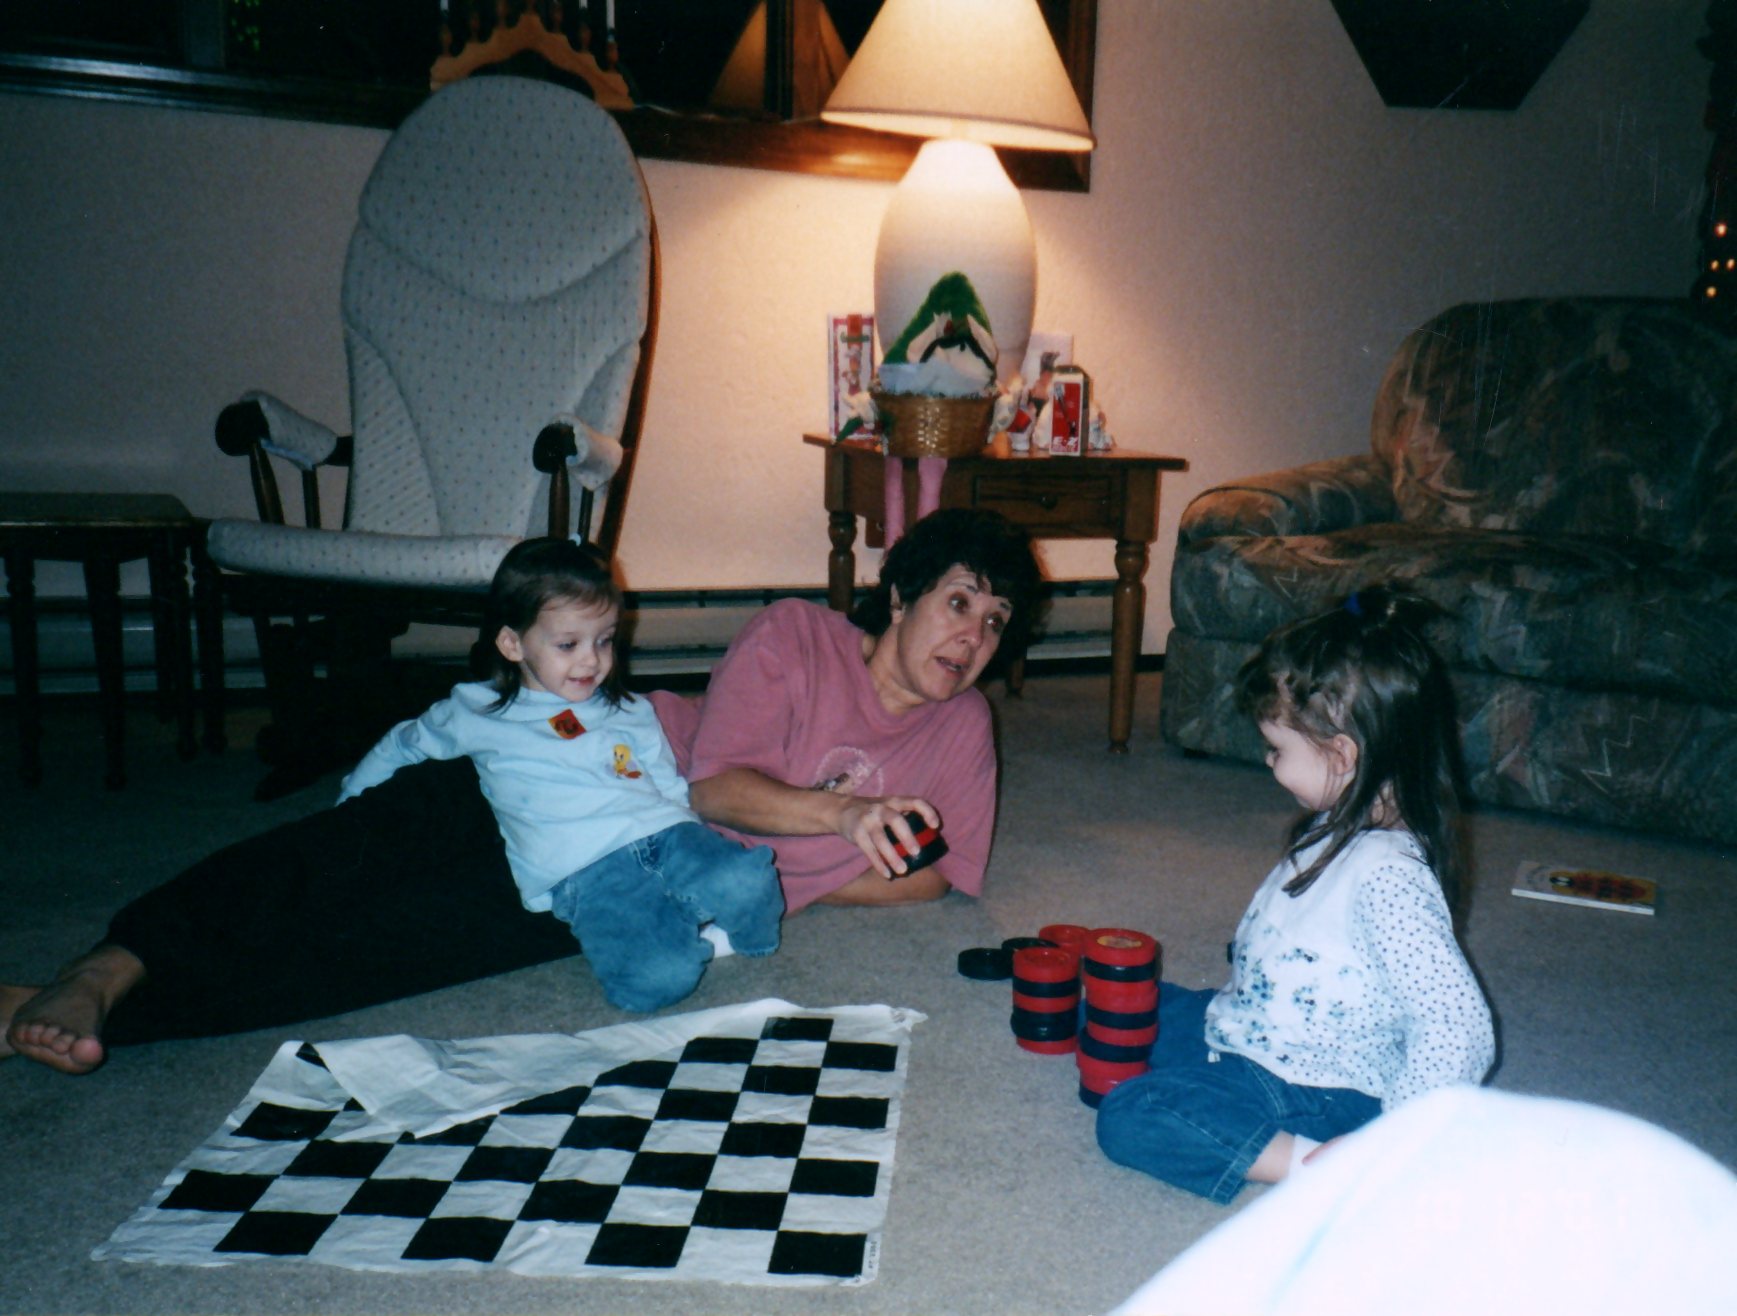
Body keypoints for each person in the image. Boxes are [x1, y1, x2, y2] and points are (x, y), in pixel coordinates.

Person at [2, 508, 1042, 1074]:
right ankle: (111, 959)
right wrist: (843, 820)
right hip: (575, 757)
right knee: (353, 848)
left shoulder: (963, 725)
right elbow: (716, 788)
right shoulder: (796, 634)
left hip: (625, 878)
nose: (973, 636)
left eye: (995, 622)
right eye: (959, 602)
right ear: (898, 594)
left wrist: (791, 877)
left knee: (390, 949)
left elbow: (938, 879)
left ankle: (109, 1018)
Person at [1095, 586, 1495, 1204]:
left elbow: (1459, 1025)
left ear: (1342, 754)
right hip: (1261, 1032)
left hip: (1321, 1088)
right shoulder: (1339, 822)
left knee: (1134, 1113)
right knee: (1123, 1004)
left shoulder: (1389, 877)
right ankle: (1221, 1088)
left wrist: (1390, 1142)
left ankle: (1323, 1167)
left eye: (1277, 749)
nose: (1267, 761)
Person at [337, 537, 782, 1013]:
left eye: (605, 640)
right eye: (569, 645)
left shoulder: (628, 708)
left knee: (750, 883)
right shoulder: (475, 711)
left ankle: (707, 922)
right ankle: (678, 929)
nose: (592, 660)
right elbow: (403, 743)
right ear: (512, 643)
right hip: (587, 870)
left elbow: (661, 774)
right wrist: (351, 799)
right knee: (655, 982)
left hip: (666, 834)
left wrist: (688, 827)